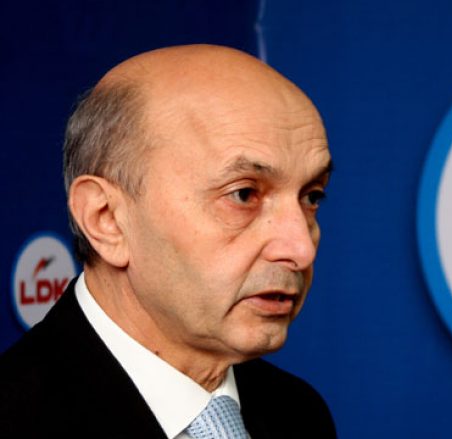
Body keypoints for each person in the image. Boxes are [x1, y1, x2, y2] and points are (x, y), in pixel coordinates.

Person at [0, 45, 336, 438]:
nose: (301, 249)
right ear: (106, 219)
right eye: (243, 194)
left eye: (311, 197)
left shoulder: (299, 413)